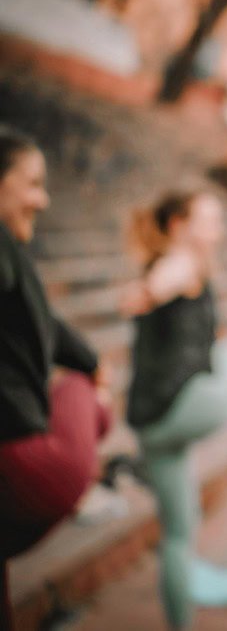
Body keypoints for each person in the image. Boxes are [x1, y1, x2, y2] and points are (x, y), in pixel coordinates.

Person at [0, 126, 110, 631]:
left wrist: (88, 357)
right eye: (31, 184)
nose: (43, 200)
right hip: (27, 461)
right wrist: (91, 370)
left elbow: (47, 322)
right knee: (85, 394)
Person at [121, 189, 227, 630]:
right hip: (179, 406)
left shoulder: (188, 265)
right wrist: (148, 293)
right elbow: (164, 281)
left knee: (179, 530)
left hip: (149, 422)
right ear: (178, 226)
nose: (217, 230)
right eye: (208, 221)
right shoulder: (180, 262)